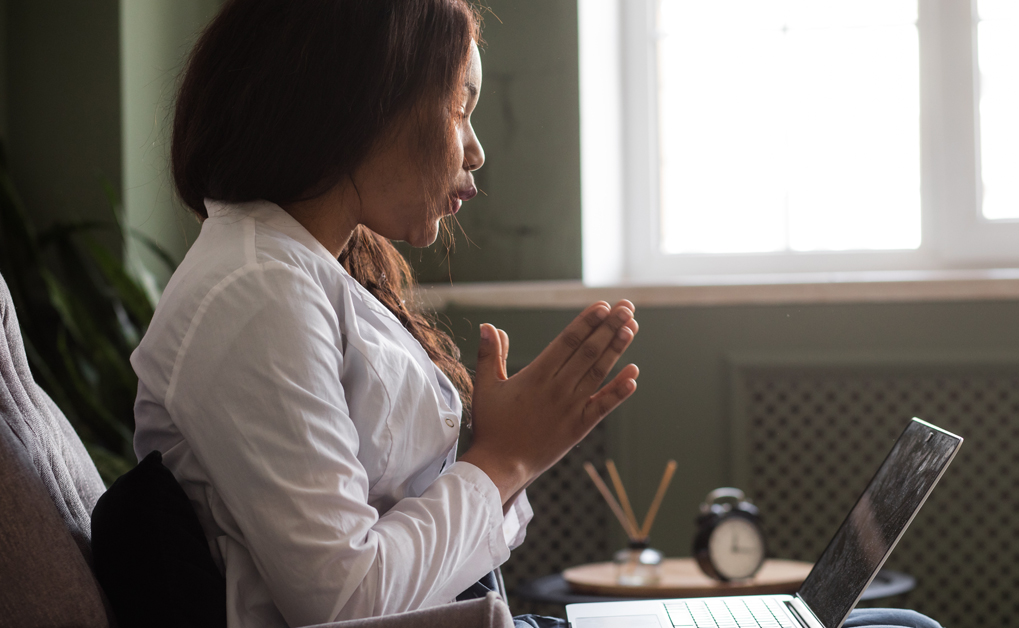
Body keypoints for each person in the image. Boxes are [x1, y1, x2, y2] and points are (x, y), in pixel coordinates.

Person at [133, 1, 942, 627]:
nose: (476, 149)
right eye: (460, 107)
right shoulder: (253, 293)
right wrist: (504, 460)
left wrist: (503, 455)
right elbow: (345, 599)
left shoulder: (299, 274)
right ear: (363, 103)